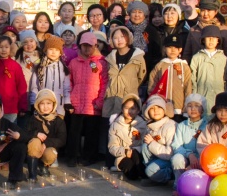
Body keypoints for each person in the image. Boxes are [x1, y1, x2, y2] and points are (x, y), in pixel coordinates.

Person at [66, 32, 109, 166]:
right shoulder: (74, 62)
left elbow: (104, 83)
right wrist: (70, 99)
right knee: (74, 132)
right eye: (84, 45)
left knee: (92, 132)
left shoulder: (101, 63)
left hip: (93, 103)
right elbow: (69, 81)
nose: (86, 49)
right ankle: (73, 156)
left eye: (89, 46)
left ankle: (89, 156)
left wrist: (100, 101)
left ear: (95, 46)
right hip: (77, 102)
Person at [103, 27, 147, 117]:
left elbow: (141, 76)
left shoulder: (137, 56)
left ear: (128, 37)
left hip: (129, 98)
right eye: (115, 38)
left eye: (122, 36)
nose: (119, 40)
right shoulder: (110, 58)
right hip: (112, 99)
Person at [148, 34, 193, 119]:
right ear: (164, 49)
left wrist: (186, 107)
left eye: (176, 48)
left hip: (179, 107)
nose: (172, 50)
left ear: (180, 50)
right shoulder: (160, 66)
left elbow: (188, 87)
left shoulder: (184, 66)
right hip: (162, 108)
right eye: (169, 47)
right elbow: (152, 86)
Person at [24, 89, 67, 179]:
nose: (45, 107)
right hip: (34, 149)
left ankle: (43, 166)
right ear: (37, 105)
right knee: (35, 142)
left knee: (51, 153)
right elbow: (25, 133)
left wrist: (46, 143)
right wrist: (36, 134)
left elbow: (62, 140)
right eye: (42, 104)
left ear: (53, 105)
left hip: (48, 148)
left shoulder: (58, 120)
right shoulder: (32, 119)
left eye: (48, 103)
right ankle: (32, 172)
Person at [0, 35, 29, 122]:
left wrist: (22, 106)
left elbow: (21, 86)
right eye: (1, 47)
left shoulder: (15, 66)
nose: (4, 50)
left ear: (11, 48)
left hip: (11, 107)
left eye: (6, 47)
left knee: (10, 132)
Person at [169, 93, 207, 190]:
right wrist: (189, 155)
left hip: (203, 158)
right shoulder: (182, 126)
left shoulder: (207, 126)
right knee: (177, 158)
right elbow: (176, 145)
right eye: (189, 106)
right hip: (187, 157)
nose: (193, 109)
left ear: (202, 109)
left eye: (197, 106)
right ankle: (179, 186)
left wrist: (198, 159)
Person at [189, 25, 227, 119]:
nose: (211, 40)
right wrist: (194, 96)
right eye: (208, 38)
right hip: (202, 96)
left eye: (214, 38)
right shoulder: (197, 57)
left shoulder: (223, 58)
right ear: (203, 40)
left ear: (218, 40)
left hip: (219, 96)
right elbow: (192, 78)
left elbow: (226, 78)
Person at [29, 34, 71, 116]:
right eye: (51, 49)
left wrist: (67, 102)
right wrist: (33, 102)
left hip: (58, 107)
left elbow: (66, 88)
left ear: (60, 53)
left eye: (56, 50)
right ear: (45, 50)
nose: (53, 52)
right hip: (42, 106)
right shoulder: (40, 67)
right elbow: (34, 87)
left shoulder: (64, 68)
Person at [108, 94, 147, 180]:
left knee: (136, 156)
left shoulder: (143, 124)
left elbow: (145, 143)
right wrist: (125, 151)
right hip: (123, 155)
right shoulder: (115, 125)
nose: (129, 111)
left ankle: (145, 176)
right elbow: (112, 147)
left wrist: (134, 151)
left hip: (138, 154)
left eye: (133, 108)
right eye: (126, 108)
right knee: (131, 173)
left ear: (138, 110)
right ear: (122, 109)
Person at [140, 94, 177, 185]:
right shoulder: (149, 126)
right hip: (158, 158)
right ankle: (155, 177)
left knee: (149, 170)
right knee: (145, 146)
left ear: (164, 109)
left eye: (159, 107)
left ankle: (170, 176)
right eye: (152, 108)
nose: (156, 111)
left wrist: (152, 143)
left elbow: (169, 153)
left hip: (169, 160)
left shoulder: (170, 126)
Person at [126, 1, 162, 78]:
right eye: (134, 12)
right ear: (129, 14)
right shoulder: (125, 30)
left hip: (148, 71)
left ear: (144, 14)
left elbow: (157, 54)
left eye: (140, 12)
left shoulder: (151, 30)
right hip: (128, 71)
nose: (137, 15)